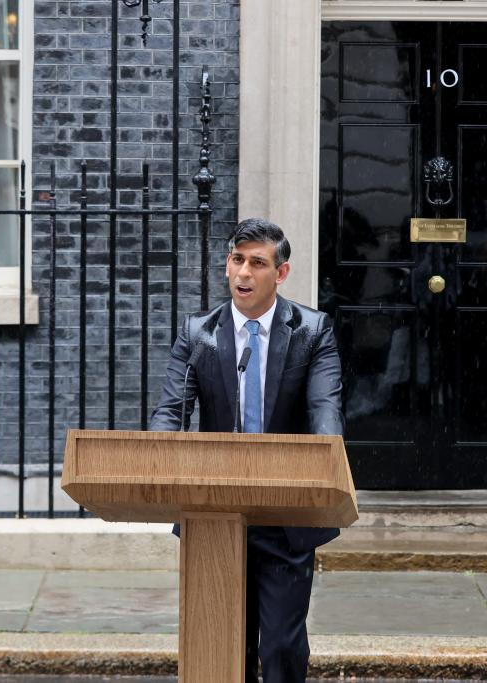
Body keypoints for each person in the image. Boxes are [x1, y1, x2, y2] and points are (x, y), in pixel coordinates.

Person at [150, 217, 344, 683]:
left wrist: (326, 465)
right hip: (215, 514)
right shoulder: (198, 333)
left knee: (279, 648)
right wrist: (155, 457)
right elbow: (171, 410)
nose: (243, 273)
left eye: (257, 263)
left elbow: (325, 409)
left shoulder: (312, 330)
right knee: (225, 649)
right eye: (237, 260)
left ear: (281, 273)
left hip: (285, 514)